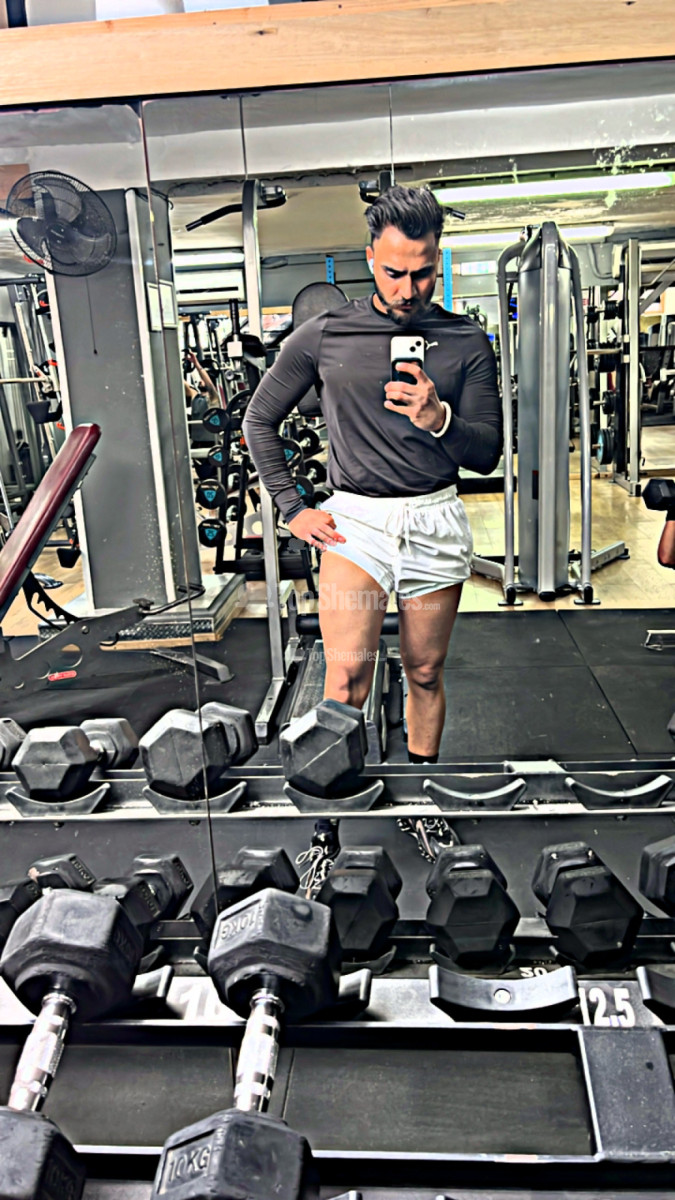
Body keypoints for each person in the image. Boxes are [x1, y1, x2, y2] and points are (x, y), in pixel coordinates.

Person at [243, 185, 502, 762]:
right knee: (346, 677)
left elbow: (487, 454)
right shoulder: (324, 333)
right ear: (370, 259)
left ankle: (421, 795)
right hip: (356, 524)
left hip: (434, 521)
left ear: (437, 260)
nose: (408, 290)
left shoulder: (465, 340)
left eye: (423, 274)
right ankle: (333, 803)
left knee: (425, 672)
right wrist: (293, 509)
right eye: (393, 273)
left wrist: (439, 420)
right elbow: (258, 419)